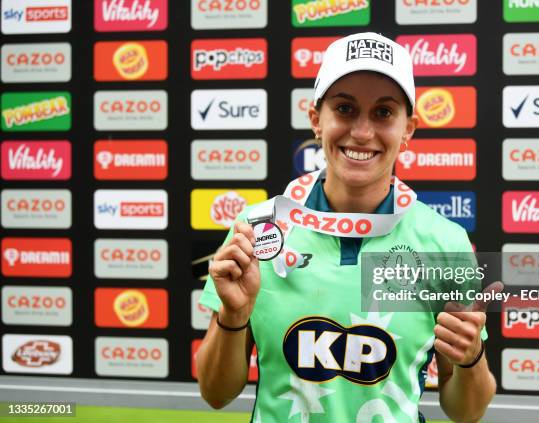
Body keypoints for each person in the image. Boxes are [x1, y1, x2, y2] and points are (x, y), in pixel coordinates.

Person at [195, 32, 497, 423]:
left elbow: (466, 412)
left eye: (384, 113)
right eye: (345, 108)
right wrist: (232, 319)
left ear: (409, 130)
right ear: (317, 120)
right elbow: (215, 394)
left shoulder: (444, 242)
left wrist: (471, 358)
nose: (362, 132)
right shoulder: (258, 229)